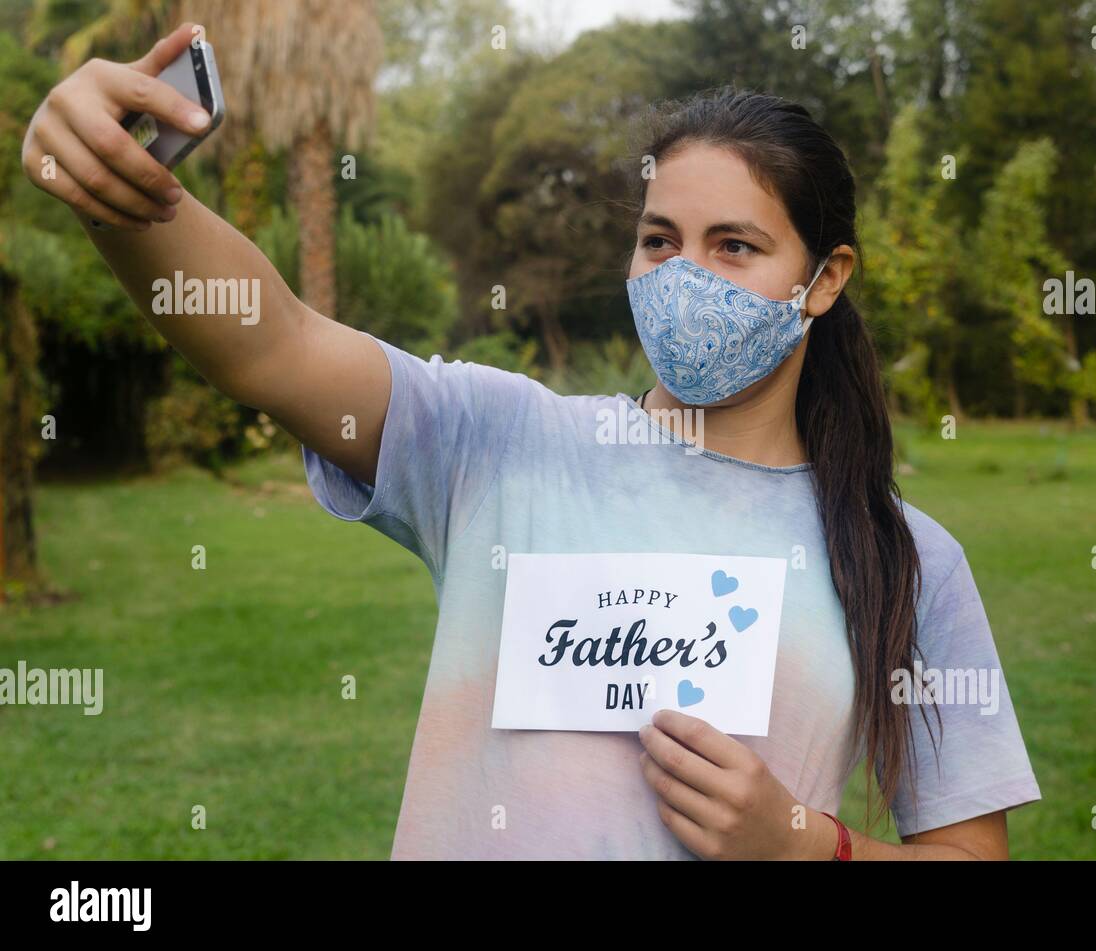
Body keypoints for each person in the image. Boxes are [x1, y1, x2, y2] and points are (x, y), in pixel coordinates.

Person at [22, 23, 1042, 860]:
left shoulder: (909, 561)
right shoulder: (497, 441)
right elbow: (275, 345)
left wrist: (803, 845)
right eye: (658, 240)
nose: (684, 275)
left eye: (734, 246)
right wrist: (119, 188)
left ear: (822, 280)